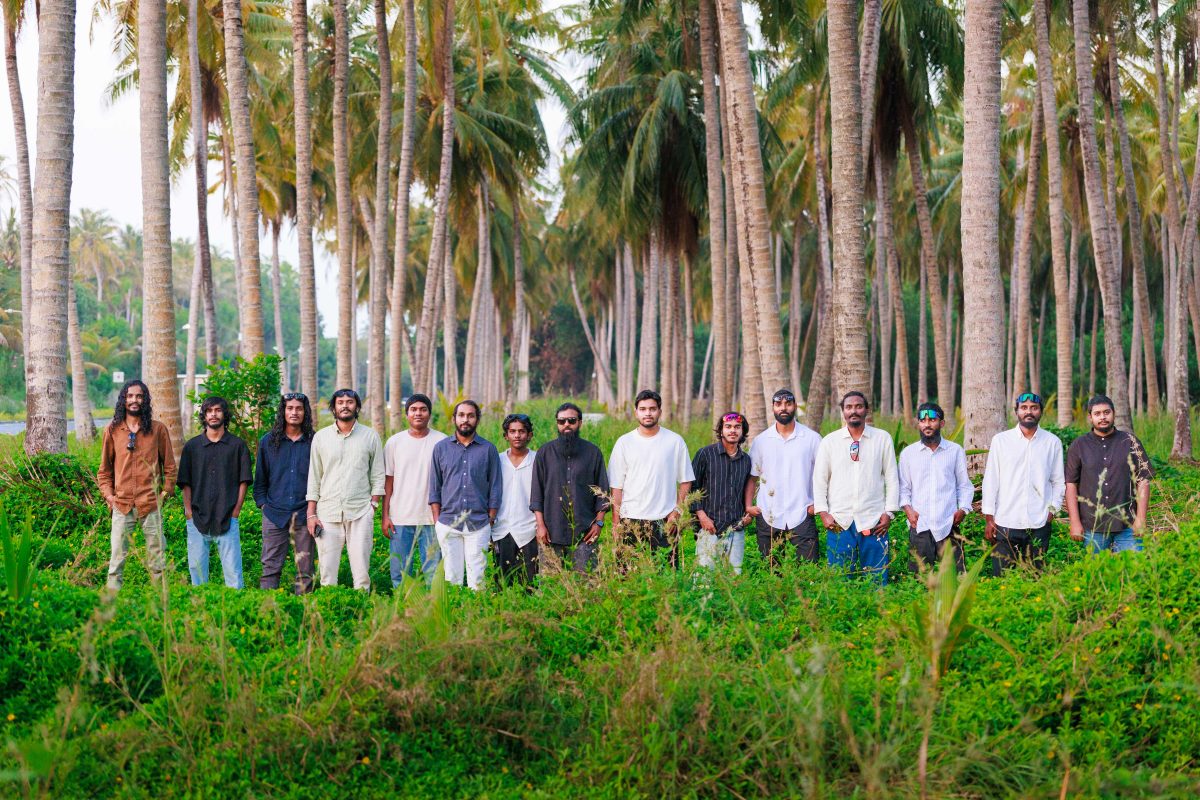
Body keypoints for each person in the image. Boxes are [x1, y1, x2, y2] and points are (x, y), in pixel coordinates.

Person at [97, 379, 177, 591]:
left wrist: (164, 494)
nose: (135, 400)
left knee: (158, 562)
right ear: (123, 400)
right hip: (122, 505)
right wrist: (109, 497)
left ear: (145, 400)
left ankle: (161, 602)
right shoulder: (112, 430)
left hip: (150, 505)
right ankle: (112, 602)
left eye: (139, 396)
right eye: (130, 396)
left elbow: (170, 467)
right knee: (116, 561)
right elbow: (104, 471)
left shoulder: (158, 430)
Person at [813, 391, 899, 585]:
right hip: (839, 520)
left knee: (877, 579)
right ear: (843, 411)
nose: (854, 411)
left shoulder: (882, 438)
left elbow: (892, 478)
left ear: (867, 410)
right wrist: (823, 513)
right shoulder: (830, 442)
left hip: (874, 520)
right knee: (839, 580)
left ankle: (879, 604)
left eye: (859, 406)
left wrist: (889, 513)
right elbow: (819, 480)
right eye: (849, 407)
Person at [306, 389, 385, 591]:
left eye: (349, 402)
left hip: (360, 513)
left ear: (356, 406)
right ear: (333, 408)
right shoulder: (321, 438)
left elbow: (378, 475)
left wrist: (373, 506)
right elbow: (314, 477)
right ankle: (329, 606)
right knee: (327, 572)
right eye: (340, 402)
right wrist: (311, 514)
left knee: (362, 572)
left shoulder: (370, 436)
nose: (345, 406)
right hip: (327, 513)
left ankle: (362, 606)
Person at [981, 392, 1065, 576]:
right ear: (1016, 411)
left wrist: (1051, 512)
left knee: (1036, 578)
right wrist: (989, 518)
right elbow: (991, 480)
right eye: (1024, 408)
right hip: (1005, 522)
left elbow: (1058, 482)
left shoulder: (1052, 443)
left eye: (1034, 408)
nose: (1029, 412)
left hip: (1039, 523)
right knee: (1002, 578)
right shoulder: (1001, 441)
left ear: (1041, 411)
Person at [609, 389, 695, 569]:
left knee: (667, 574)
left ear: (659, 411)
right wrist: (616, 523)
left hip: (664, 520)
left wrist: (676, 512)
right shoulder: (624, 443)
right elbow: (616, 486)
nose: (647, 413)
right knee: (626, 576)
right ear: (636, 412)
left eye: (652, 409)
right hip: (630, 519)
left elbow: (686, 480)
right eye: (643, 409)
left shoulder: (675, 441)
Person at [177, 397, 252, 589]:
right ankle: (200, 605)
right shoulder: (192, 447)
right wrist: (188, 512)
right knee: (197, 572)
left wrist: (236, 511)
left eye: (218, 410)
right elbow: (185, 482)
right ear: (204, 415)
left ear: (224, 414)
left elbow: (244, 481)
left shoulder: (237, 446)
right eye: (209, 411)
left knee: (234, 574)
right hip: (196, 518)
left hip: (227, 518)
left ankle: (235, 606)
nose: (213, 414)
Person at [1065, 394, 1153, 554]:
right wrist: (1075, 522)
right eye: (1097, 414)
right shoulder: (1079, 445)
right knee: (1096, 569)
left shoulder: (1130, 441)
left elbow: (1143, 481)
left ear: (1114, 413)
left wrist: (1141, 518)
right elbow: (1071, 484)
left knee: (1134, 567)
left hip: (1128, 526)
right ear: (1090, 417)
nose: (1102, 417)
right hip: (1092, 527)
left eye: (1106, 412)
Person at [428, 400, 502, 590]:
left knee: (478, 580)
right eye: (461, 415)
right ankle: (455, 609)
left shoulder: (488, 449)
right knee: (451, 578)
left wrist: (490, 518)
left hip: (479, 523)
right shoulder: (441, 448)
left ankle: (475, 609)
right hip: (448, 523)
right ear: (454, 419)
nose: (465, 420)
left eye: (470, 415)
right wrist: (438, 520)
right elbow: (434, 486)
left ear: (477, 419)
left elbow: (495, 486)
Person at [530, 402, 609, 573]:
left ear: (580, 423)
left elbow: (603, 493)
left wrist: (599, 523)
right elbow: (537, 493)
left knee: (587, 582)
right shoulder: (544, 453)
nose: (566, 424)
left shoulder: (593, 453)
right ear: (557, 424)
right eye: (562, 421)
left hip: (585, 533)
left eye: (571, 421)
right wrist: (540, 525)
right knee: (551, 583)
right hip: (551, 532)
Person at [746, 389, 822, 566]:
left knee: (808, 569)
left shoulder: (812, 438)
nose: (783, 408)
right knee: (771, 571)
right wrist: (749, 505)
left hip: (803, 513)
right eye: (778, 404)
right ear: (773, 407)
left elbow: (825, 475)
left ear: (794, 406)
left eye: (788, 404)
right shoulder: (761, 441)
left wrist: (818, 504)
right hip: (769, 514)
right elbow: (752, 477)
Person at [897, 402, 974, 574]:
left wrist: (963, 509)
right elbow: (903, 488)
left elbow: (964, 485)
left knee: (955, 578)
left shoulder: (955, 451)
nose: (927, 424)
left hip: (948, 523)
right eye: (923, 420)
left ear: (942, 423)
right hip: (920, 525)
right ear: (918, 424)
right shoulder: (908, 454)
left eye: (932, 420)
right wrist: (908, 510)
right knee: (920, 579)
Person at [382, 394, 447, 587]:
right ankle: (402, 604)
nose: (418, 413)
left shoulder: (442, 441)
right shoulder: (394, 442)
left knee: (434, 572)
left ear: (429, 414)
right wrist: (385, 516)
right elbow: (388, 482)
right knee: (400, 572)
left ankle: (433, 604)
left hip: (432, 518)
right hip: (400, 517)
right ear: (407, 414)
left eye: (423, 409)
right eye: (413, 409)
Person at [254, 393, 316, 593]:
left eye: (299, 408)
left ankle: (304, 609)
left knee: (305, 570)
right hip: (274, 514)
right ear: (283, 411)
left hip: (305, 514)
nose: (294, 412)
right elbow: (260, 479)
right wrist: (264, 505)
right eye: (290, 408)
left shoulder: (315, 441)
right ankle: (268, 607)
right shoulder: (268, 442)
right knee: (270, 568)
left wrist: (314, 511)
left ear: (305, 412)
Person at [691, 411, 754, 574]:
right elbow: (692, 487)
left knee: (734, 577)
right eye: (728, 426)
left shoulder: (746, 460)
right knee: (704, 578)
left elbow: (746, 490)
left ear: (743, 431)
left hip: (736, 529)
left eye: (737, 427)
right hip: (709, 528)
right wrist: (702, 517)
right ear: (721, 430)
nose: (733, 430)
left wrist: (747, 515)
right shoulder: (705, 454)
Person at [491, 414, 538, 587]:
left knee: (530, 584)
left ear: (530, 435)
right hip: (502, 529)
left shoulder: (538, 460)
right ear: (506, 436)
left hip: (529, 529)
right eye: (512, 431)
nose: (517, 435)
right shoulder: (497, 460)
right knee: (502, 584)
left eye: (521, 431)